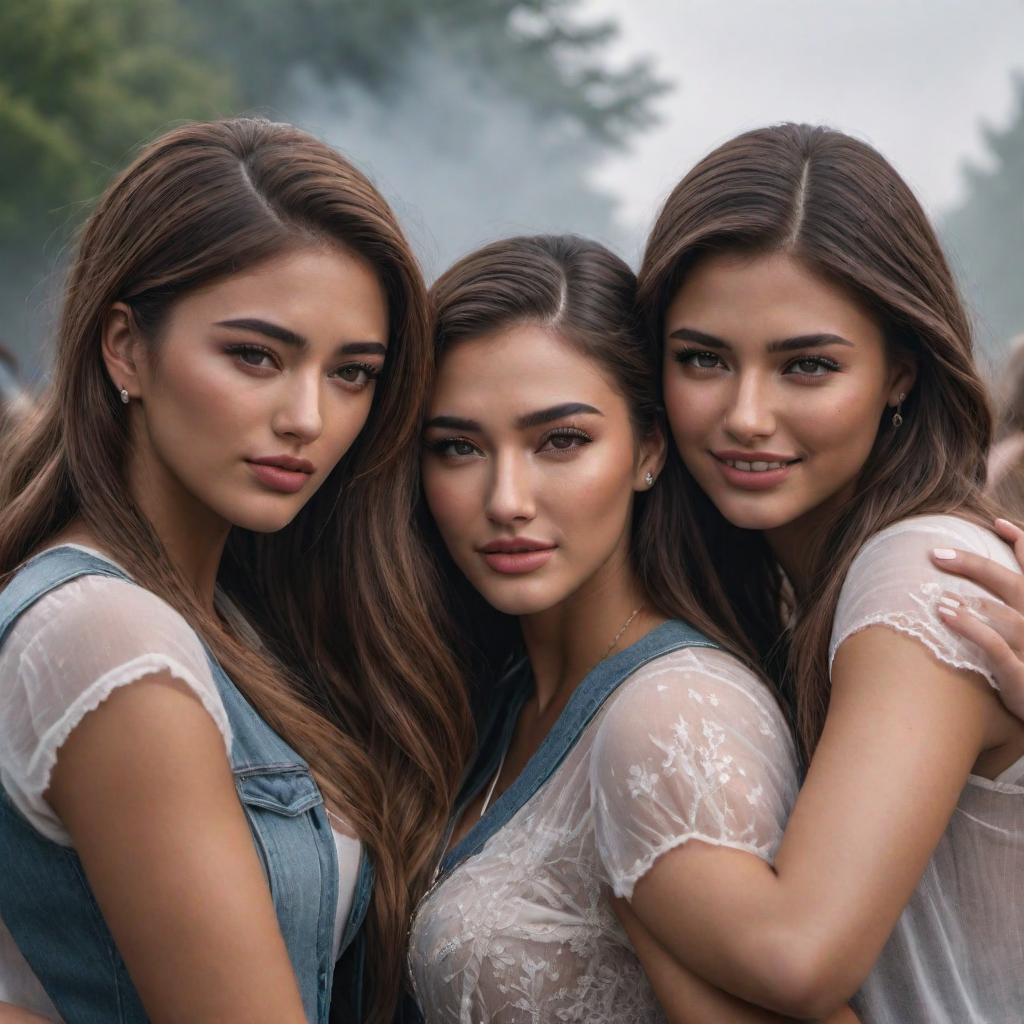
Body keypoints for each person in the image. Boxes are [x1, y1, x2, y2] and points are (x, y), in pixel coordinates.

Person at [0, 118, 472, 1024]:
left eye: (353, 374)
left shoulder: (235, 616)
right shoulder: (107, 637)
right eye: (256, 355)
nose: (307, 417)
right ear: (125, 348)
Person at [607, 123, 1024, 1022]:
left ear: (900, 374)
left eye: (808, 366)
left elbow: (802, 958)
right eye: (703, 359)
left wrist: (617, 844)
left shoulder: (923, 576)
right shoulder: (790, 589)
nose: (746, 414)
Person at [406, 233, 857, 1023]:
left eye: (562, 441)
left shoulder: (670, 715)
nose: (506, 497)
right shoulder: (496, 693)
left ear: (648, 448)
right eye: (458, 447)